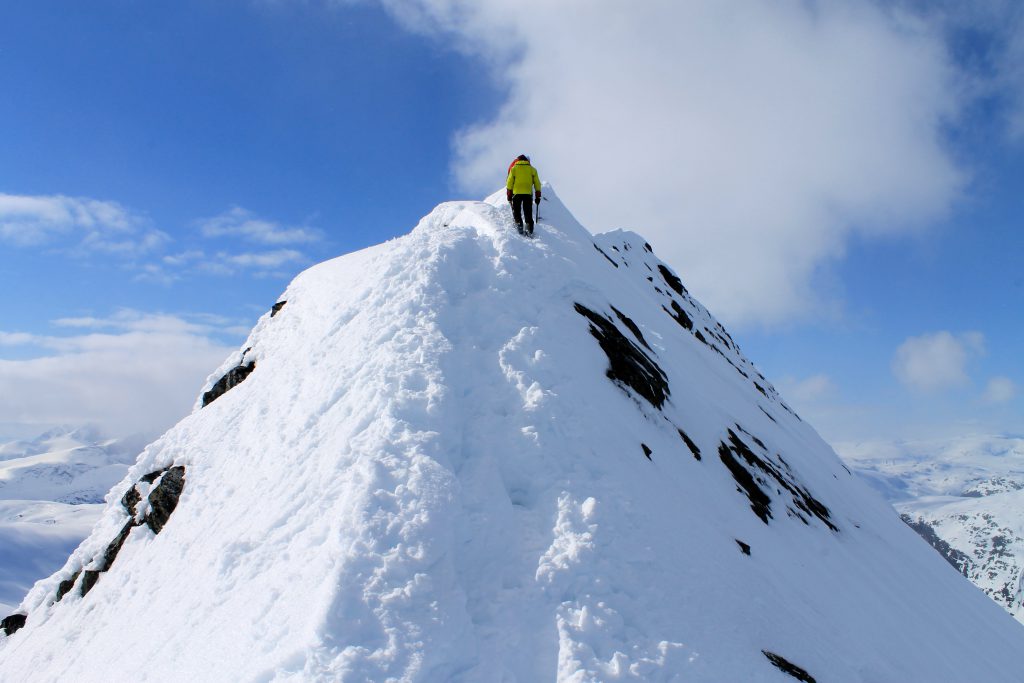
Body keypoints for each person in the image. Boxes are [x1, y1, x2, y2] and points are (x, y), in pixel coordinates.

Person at [506, 154, 541, 236]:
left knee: (516, 210)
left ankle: (519, 224)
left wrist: (509, 195)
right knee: (528, 211)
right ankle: (529, 228)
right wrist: (538, 196)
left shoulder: (513, 169)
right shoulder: (532, 169)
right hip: (528, 193)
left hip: (516, 193)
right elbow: (537, 184)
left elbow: (509, 182)